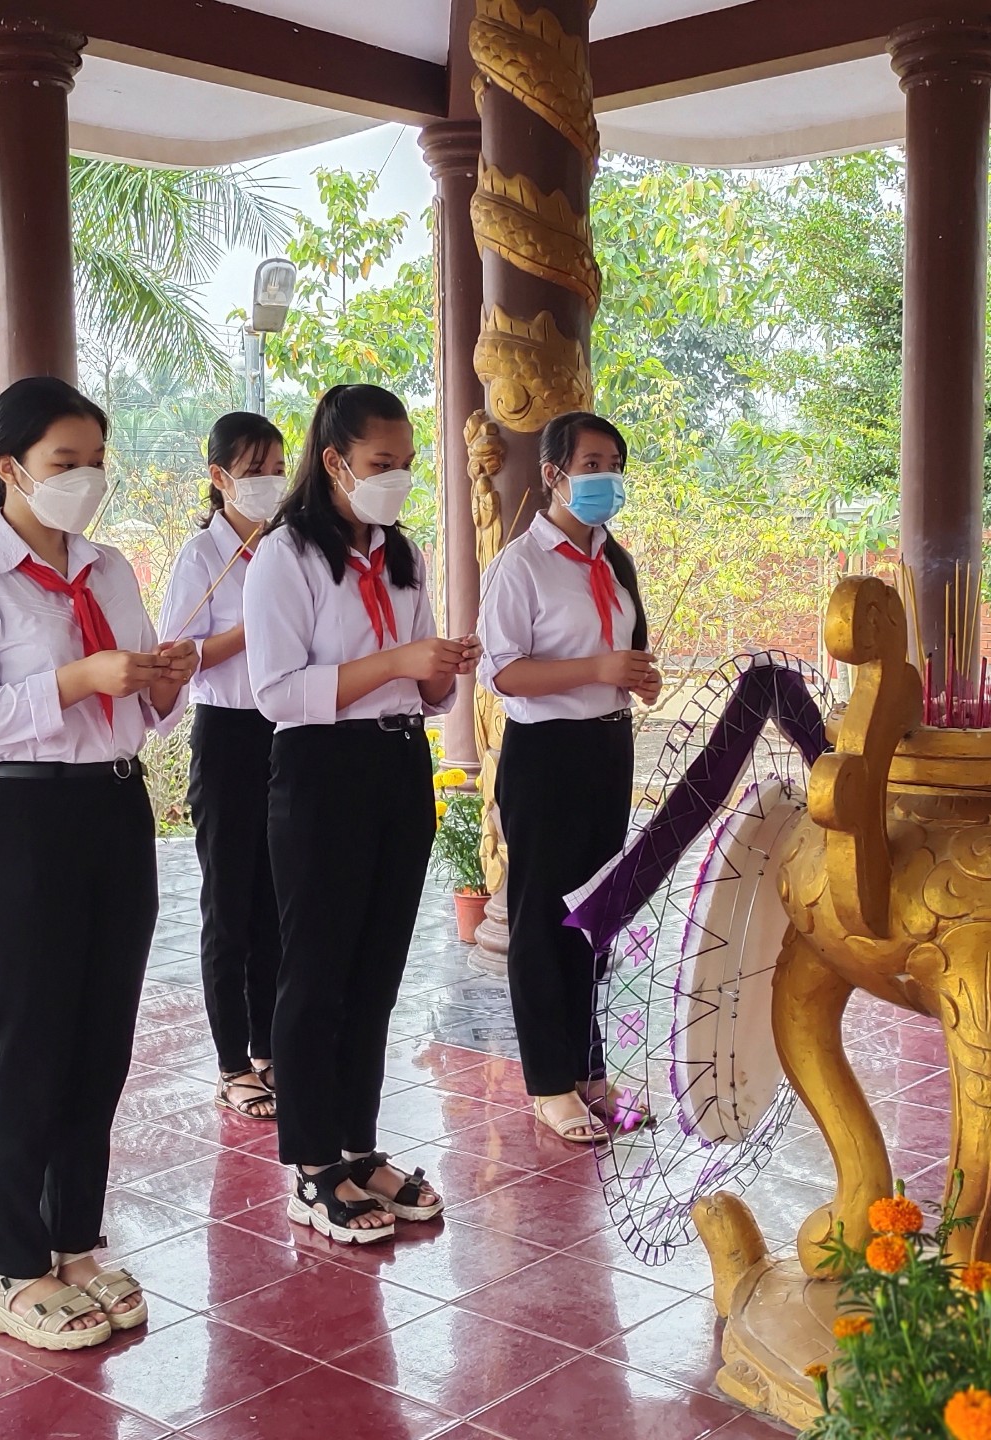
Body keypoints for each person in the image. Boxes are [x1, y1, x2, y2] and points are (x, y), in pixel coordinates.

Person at [0, 375, 197, 1351]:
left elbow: (144, 708)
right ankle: (10, 1263)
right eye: (64, 461)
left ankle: (75, 1242)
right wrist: (74, 679)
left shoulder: (109, 570)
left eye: (96, 461)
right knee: (28, 1043)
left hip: (115, 807)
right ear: (9, 468)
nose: (86, 478)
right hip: (21, 815)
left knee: (100, 1041)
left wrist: (165, 681)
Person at [245, 383, 476, 1244]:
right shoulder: (286, 556)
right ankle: (311, 1165)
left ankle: (357, 1144)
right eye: (382, 463)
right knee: (317, 970)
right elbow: (278, 692)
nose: (397, 478)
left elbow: (424, 691)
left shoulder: (399, 553)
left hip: (396, 761)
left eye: (407, 463)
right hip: (320, 769)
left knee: (376, 968)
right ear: (335, 461)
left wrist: (441, 668)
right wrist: (397, 662)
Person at [478, 410, 658, 1144]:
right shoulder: (520, 565)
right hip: (545, 755)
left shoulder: (614, 559)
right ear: (553, 474)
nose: (605, 478)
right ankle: (548, 1084)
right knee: (540, 921)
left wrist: (634, 676)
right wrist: (597, 668)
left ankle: (590, 1073)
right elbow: (503, 672)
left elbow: (625, 652)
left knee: (593, 918)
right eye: (590, 465)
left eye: (613, 465)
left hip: (606, 749)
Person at [159, 412, 290, 1124]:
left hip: (286, 732)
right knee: (230, 904)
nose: (270, 483)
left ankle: (269, 1047)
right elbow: (180, 654)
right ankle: (232, 1063)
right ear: (219, 477)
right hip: (228, 735)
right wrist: (254, 627)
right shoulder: (200, 557)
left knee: (279, 899)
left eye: (278, 470)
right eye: (254, 471)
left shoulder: (289, 545)